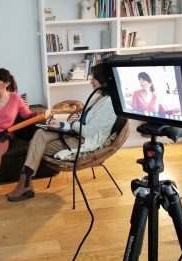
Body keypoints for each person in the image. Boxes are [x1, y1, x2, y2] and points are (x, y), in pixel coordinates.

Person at [6, 65, 117, 201]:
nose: (91, 81)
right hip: (76, 134)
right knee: (41, 133)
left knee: (36, 145)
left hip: (84, 141)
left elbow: (88, 132)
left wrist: (72, 125)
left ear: (102, 80)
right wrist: (61, 124)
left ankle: (24, 184)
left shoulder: (110, 104)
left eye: (93, 78)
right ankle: (26, 184)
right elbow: (82, 121)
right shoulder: (98, 99)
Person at [0, 68, 49, 208]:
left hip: (4, 134)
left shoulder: (15, 98)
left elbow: (26, 115)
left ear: (6, 83)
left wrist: (40, 113)